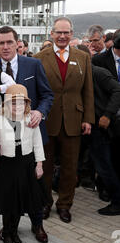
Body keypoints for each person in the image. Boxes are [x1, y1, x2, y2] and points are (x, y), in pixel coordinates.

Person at [34, 16, 95, 223]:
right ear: (51, 34)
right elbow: (36, 92)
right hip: (47, 121)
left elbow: (88, 90)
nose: (62, 36)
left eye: (66, 32)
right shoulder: (39, 57)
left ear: (71, 34)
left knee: (70, 167)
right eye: (58, 32)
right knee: (46, 166)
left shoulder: (83, 57)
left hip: (73, 120)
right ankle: (44, 203)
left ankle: (65, 205)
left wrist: (88, 118)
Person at [0, 84, 48, 243]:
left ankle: (15, 232)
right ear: (6, 104)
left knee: (20, 201)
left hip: (26, 164)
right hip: (8, 165)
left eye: (20, 103)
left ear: (26, 105)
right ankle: (8, 232)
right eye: (12, 103)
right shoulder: (0, 120)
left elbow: (37, 143)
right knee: (9, 201)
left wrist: (39, 164)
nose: (16, 106)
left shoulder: (30, 120)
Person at [0, 26, 53, 146]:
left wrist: (39, 112)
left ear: (17, 44)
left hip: (30, 131)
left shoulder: (34, 64)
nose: (5, 47)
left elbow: (47, 95)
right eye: (1, 43)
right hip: (2, 136)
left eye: (9, 42)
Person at [92, 31, 120, 181]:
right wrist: (107, 113)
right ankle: (106, 189)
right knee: (107, 158)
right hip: (105, 117)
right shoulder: (99, 61)